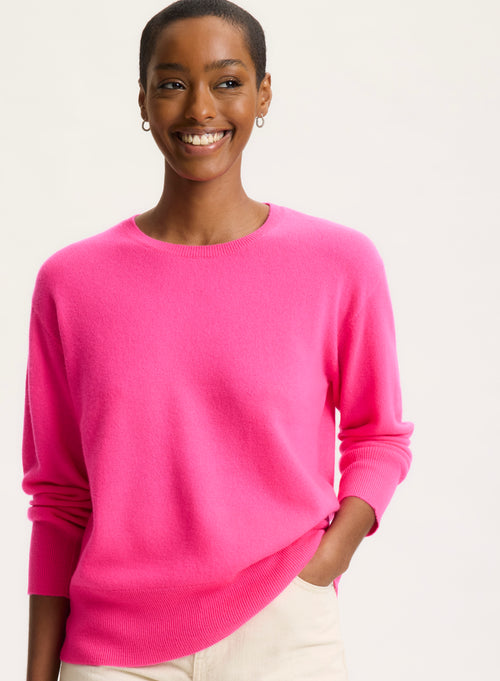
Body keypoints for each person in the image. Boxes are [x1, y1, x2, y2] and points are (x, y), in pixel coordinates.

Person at [21, 1, 414, 680]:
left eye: (228, 81)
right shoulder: (71, 282)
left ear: (264, 94)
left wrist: (326, 561)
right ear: (143, 100)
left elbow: (379, 436)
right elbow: (59, 495)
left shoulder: (338, 264)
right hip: (113, 645)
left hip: (284, 629)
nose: (200, 108)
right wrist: (37, 671)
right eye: (172, 83)